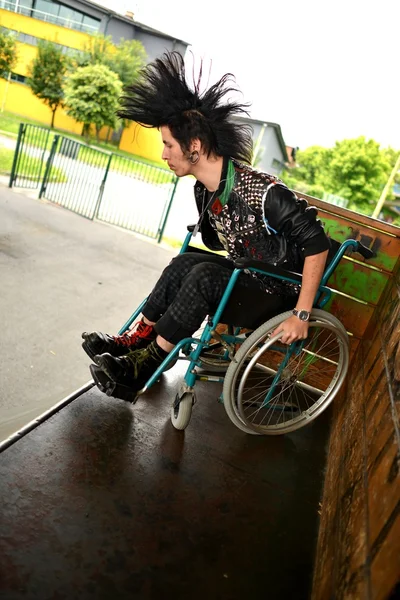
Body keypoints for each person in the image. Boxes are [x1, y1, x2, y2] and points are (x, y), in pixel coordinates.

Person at [82, 51, 331, 400]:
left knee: (203, 276)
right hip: (247, 277)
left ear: (194, 147)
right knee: (184, 263)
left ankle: (147, 363)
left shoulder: (263, 191)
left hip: (280, 294)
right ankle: (139, 339)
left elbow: (316, 243)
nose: (164, 154)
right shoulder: (206, 189)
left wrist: (301, 314)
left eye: (169, 145)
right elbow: (217, 244)